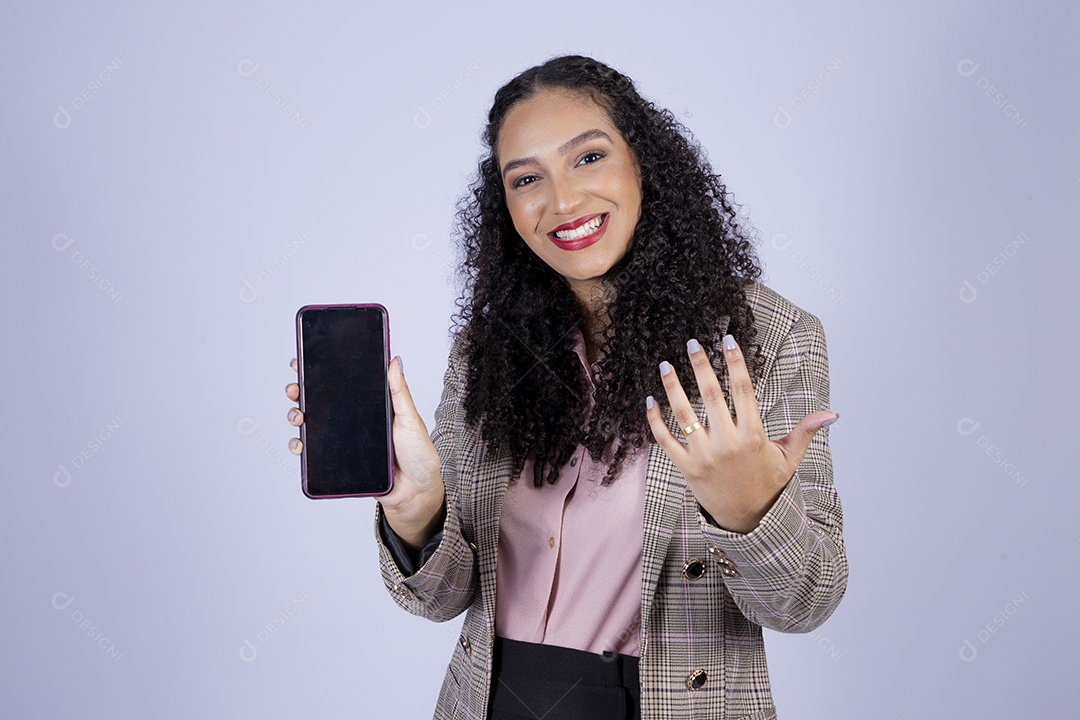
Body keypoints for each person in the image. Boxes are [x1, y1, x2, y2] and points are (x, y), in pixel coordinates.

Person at [285, 54, 847, 720]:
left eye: (588, 158)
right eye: (527, 179)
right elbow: (439, 598)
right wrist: (416, 510)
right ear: (506, 206)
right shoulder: (487, 352)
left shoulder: (768, 338)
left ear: (644, 162)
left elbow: (804, 604)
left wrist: (750, 510)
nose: (563, 201)